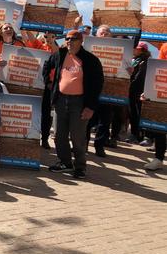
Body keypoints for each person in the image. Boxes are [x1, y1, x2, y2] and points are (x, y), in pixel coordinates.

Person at [44, 30, 104, 179]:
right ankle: (65, 162)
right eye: (67, 38)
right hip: (61, 100)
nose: (70, 41)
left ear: (81, 41)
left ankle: (80, 167)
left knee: (77, 137)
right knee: (59, 136)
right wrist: (49, 83)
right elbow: (47, 65)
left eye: (73, 39)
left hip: (80, 103)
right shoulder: (60, 54)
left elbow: (97, 84)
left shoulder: (90, 60)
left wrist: (90, 107)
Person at [87, 24, 124, 157]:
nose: (104, 34)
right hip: (90, 90)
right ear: (96, 35)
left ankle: (99, 147)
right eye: (102, 32)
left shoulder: (119, 49)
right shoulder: (89, 47)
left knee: (105, 121)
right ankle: (83, 146)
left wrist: (128, 71)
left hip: (108, 92)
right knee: (87, 120)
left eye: (107, 32)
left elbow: (123, 67)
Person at [38, 32, 60, 149]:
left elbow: (59, 55)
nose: (48, 38)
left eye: (52, 36)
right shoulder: (39, 47)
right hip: (35, 85)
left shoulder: (58, 50)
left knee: (46, 114)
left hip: (49, 86)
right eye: (46, 36)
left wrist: (51, 42)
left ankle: (45, 138)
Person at [127, 42, 151, 144]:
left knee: (137, 113)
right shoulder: (135, 60)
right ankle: (135, 134)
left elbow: (139, 78)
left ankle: (137, 135)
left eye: (136, 49)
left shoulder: (144, 62)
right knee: (133, 113)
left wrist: (129, 84)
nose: (134, 50)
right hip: (133, 90)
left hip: (138, 91)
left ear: (141, 50)